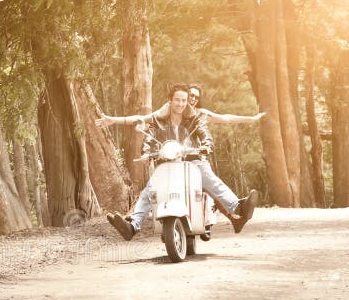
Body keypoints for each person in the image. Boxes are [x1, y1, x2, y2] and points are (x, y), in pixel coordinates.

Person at [99, 83, 258, 240]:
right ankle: (133, 226)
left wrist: (206, 145)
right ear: (170, 100)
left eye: (184, 100)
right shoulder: (159, 118)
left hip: (192, 160)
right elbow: (149, 135)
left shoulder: (194, 117)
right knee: (150, 188)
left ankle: (238, 207)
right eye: (177, 100)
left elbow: (205, 132)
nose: (181, 103)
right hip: (167, 162)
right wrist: (146, 152)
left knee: (207, 176)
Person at [95, 84, 265, 127]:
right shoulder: (167, 110)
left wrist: (251, 119)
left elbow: (226, 118)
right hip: (171, 156)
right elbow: (141, 119)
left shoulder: (200, 114)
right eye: (189, 96)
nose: (192, 99)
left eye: (196, 98)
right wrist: (112, 120)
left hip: (195, 156)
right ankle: (136, 217)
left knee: (208, 181)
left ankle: (232, 210)